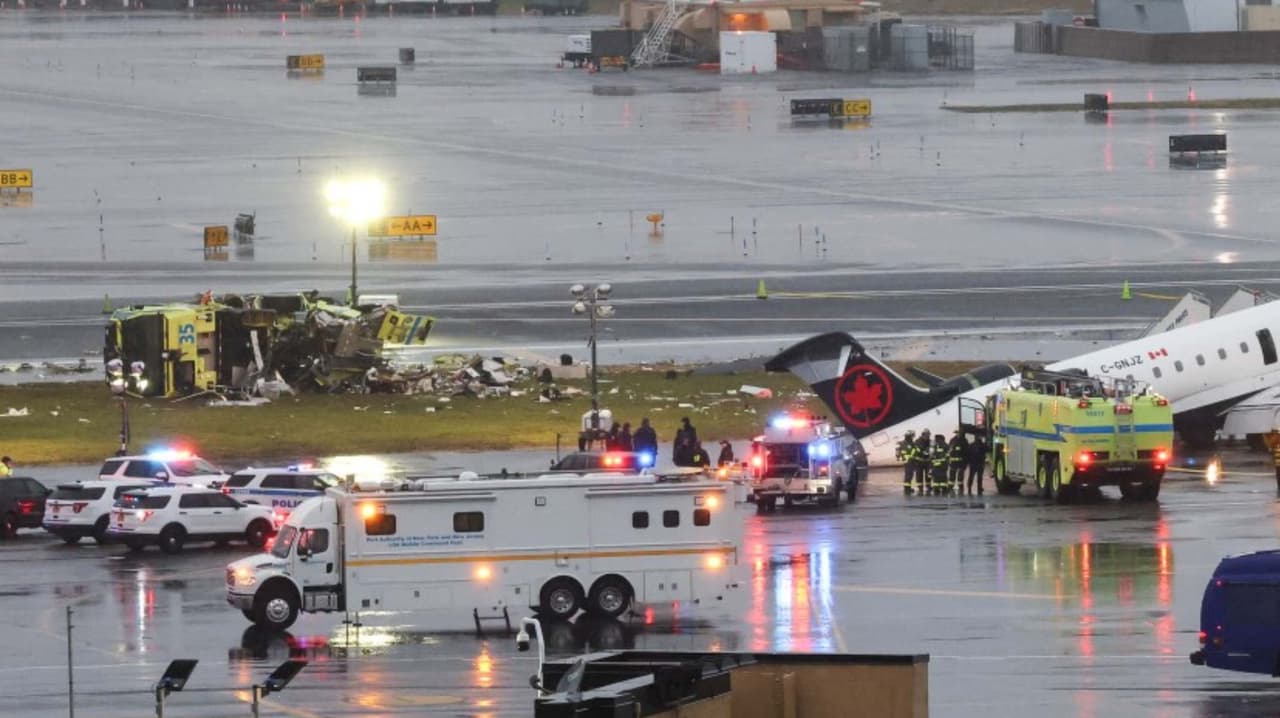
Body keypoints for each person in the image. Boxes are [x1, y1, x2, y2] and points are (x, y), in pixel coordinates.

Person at [948, 431, 968, 495]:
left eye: (959, 433)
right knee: (952, 475)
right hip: (953, 462)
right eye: (957, 432)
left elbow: (966, 452)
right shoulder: (952, 440)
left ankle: (961, 487)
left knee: (960, 476)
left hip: (961, 462)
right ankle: (951, 487)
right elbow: (949, 450)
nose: (958, 434)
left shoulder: (964, 441)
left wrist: (965, 462)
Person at [897, 430, 916, 495]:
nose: (913, 437)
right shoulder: (907, 443)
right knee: (909, 475)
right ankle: (907, 488)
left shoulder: (905, 442)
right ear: (909, 436)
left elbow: (899, 451)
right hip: (908, 460)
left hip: (909, 460)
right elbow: (909, 451)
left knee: (909, 474)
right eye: (912, 436)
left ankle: (908, 487)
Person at [914, 430, 932, 495]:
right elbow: (917, 450)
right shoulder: (918, 441)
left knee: (928, 475)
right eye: (927, 435)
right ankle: (920, 487)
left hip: (927, 461)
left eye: (929, 435)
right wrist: (923, 452)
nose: (928, 436)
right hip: (919, 461)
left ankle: (928, 486)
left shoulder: (930, 441)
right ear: (923, 435)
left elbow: (932, 449)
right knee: (919, 475)